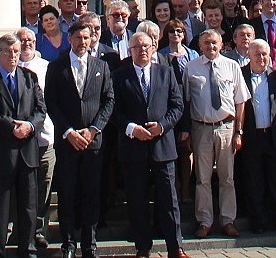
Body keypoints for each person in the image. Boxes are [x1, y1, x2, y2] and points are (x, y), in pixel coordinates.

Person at [113, 30, 189, 258]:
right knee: (137, 200)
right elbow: (112, 110)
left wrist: (162, 126)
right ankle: (143, 247)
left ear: (153, 48)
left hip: (162, 145)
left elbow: (177, 105)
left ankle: (175, 248)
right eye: (137, 47)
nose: (142, 50)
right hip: (133, 147)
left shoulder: (166, 72)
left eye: (146, 46)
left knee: (169, 199)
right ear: (130, 51)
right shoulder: (119, 76)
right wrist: (131, 129)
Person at [0, 34, 47, 258]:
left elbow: (40, 109)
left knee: (28, 207)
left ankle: (27, 250)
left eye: (16, 51)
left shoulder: (30, 78)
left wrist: (29, 126)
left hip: (27, 152)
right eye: (8, 51)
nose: (13, 55)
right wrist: (11, 126)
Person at [45, 18, 114, 258]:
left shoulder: (101, 66)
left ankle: (89, 245)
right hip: (67, 141)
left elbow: (109, 101)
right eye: (78, 38)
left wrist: (93, 129)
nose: (83, 42)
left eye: (86, 37)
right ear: (69, 39)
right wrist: (68, 132)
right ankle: (68, 244)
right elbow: (51, 102)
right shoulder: (57, 67)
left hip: (93, 142)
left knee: (91, 193)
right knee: (67, 193)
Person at [181, 29, 248, 238]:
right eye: (206, 43)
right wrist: (187, 132)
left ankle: (228, 220)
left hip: (226, 127)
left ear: (221, 45)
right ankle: (205, 221)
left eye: (214, 43)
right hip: (200, 128)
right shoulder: (190, 67)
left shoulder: (232, 66)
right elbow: (185, 101)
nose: (210, 46)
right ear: (200, 46)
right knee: (202, 178)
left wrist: (238, 131)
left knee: (227, 177)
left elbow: (240, 102)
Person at [236, 40, 276, 234]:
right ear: (249, 55)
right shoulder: (240, 75)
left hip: (274, 136)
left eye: (264, 54)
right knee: (254, 181)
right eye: (257, 54)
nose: (261, 58)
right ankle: (258, 222)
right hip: (250, 136)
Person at [16, 28, 57, 253]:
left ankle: (39, 231)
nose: (26, 44)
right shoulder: (9, 66)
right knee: (20, 186)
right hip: (17, 138)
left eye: (30, 40)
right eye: (22, 40)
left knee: (43, 185)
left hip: (44, 136)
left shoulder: (46, 67)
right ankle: (19, 230)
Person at [98, 0, 133, 64]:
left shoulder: (134, 37)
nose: (120, 18)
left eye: (123, 15)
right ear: (108, 18)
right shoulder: (100, 39)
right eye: (116, 15)